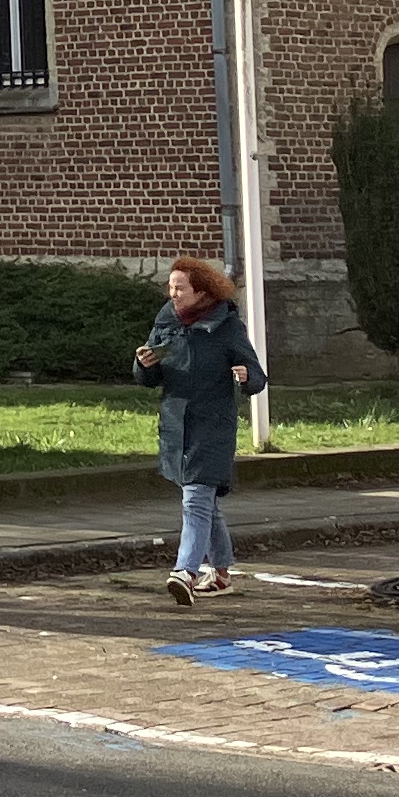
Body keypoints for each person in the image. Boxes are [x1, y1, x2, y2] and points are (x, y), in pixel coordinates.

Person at [134, 254, 264, 607]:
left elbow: (257, 374)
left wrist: (245, 376)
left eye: (180, 288)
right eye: (171, 287)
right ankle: (221, 574)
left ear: (202, 292)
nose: (173, 294)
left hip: (213, 425)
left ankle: (185, 572)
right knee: (205, 502)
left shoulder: (226, 327)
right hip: (177, 424)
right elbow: (149, 379)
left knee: (195, 499)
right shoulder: (166, 323)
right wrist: (144, 365)